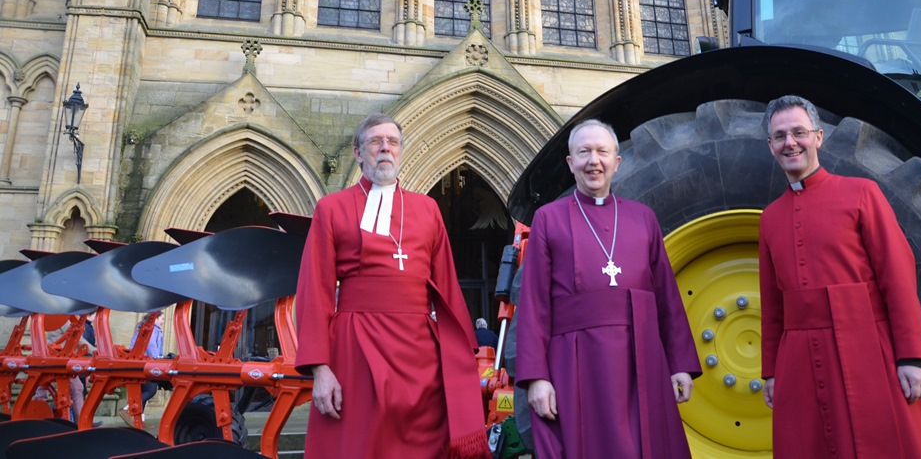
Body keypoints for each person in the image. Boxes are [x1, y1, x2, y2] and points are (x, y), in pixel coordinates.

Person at [759, 95, 921, 458]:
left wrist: (913, 357)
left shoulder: (862, 193)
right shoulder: (770, 217)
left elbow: (898, 276)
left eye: (799, 132)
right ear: (770, 146)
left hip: (867, 344)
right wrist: (772, 371)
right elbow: (772, 305)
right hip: (798, 360)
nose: (790, 143)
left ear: (818, 137)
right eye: (780, 136)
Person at [294, 113, 489, 459]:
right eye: (375, 141)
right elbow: (315, 291)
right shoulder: (331, 208)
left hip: (420, 354)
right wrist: (320, 369)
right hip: (356, 348)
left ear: (401, 152)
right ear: (357, 153)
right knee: (360, 444)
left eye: (392, 142)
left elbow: (446, 288)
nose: (385, 148)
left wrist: (461, 359)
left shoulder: (427, 209)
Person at [515, 118, 702, 458]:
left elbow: (667, 298)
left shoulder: (643, 218)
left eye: (602, 152)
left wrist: (680, 363)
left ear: (617, 162)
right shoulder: (548, 218)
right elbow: (533, 305)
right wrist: (536, 377)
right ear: (571, 163)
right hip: (576, 364)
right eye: (583, 152)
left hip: (641, 361)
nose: (593, 161)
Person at [119, 312, 163, 426]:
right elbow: (151, 345)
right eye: (162, 319)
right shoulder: (152, 328)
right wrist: (158, 360)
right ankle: (127, 409)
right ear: (156, 318)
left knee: (144, 391)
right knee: (151, 390)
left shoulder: (146, 327)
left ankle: (140, 421)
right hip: (146, 363)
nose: (163, 322)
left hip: (141, 362)